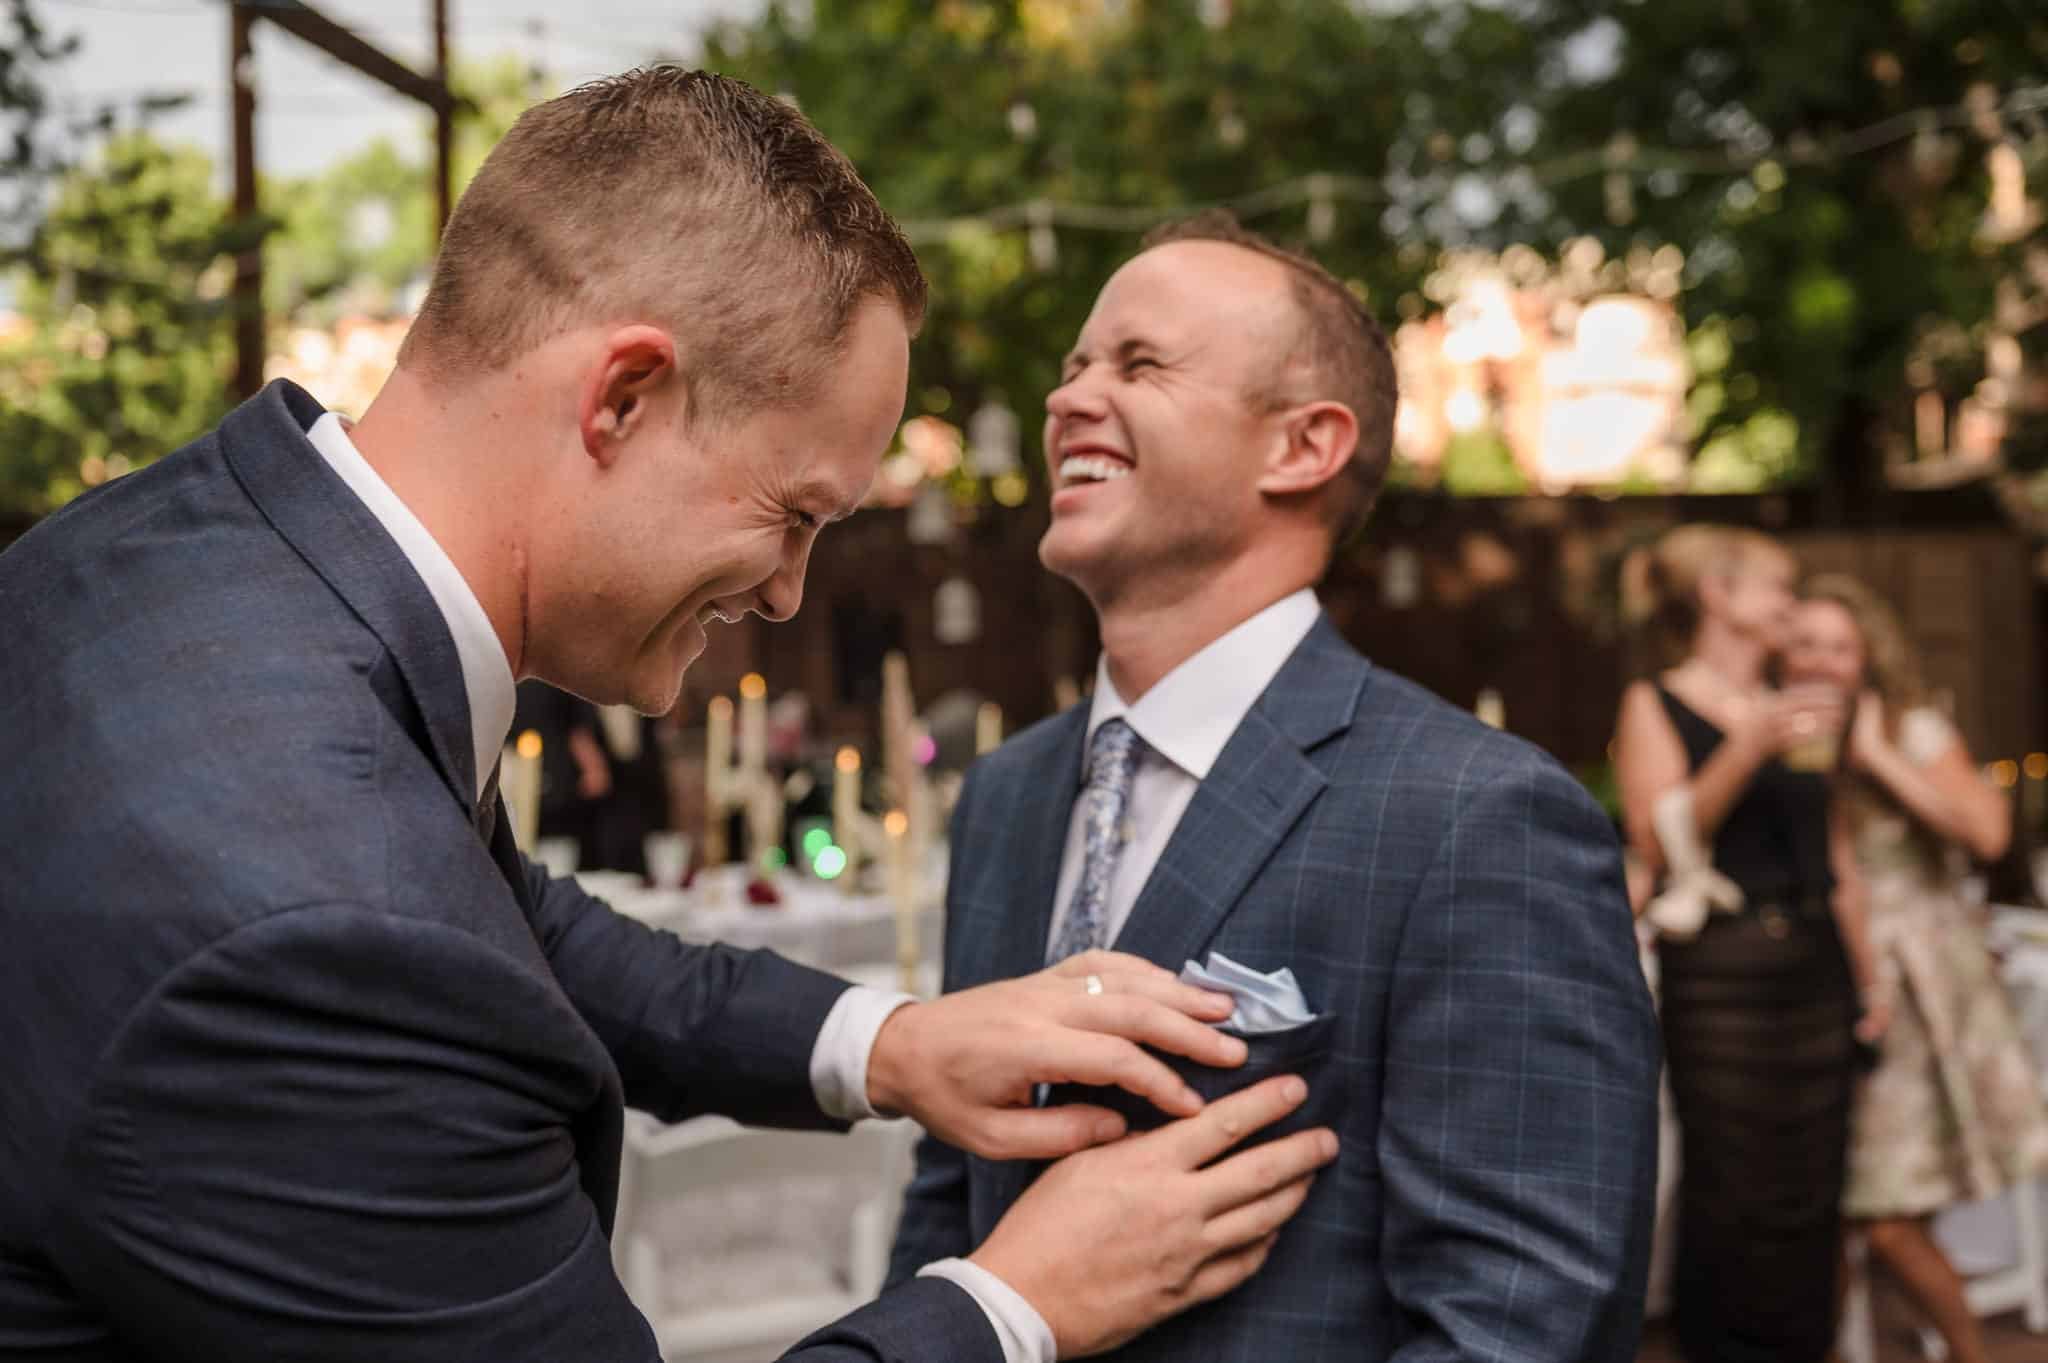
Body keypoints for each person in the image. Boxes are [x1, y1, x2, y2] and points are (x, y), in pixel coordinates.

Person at [0, 70, 1342, 1362]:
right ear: (622, 397)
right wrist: (1013, 1303)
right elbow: (392, 940)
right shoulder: (320, 926)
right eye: (794, 513)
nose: (785, 588)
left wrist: (887, 1043)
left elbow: (495, 924)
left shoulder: (159, 551)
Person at [887, 211, 1663, 1363]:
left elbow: (1518, 1321)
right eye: (1073, 367)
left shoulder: (1478, 816)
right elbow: (952, 1186)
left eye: (1138, 364)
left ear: (1301, 447)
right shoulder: (1007, 792)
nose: (1068, 399)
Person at [1612, 525, 1885, 1363]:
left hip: (1816, 969)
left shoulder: (1801, 699)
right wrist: (1750, 743)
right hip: (1720, 976)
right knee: (1731, 1188)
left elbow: (1835, 856)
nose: (1791, 607)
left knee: (1814, 1191)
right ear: (1720, 597)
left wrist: (1872, 980)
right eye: (1778, 589)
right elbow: (1660, 844)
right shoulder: (1653, 703)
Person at [1786, 574, 2048, 1363]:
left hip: (1933, 983)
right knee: (1863, 1203)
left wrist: (1876, 755)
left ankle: (1969, 1353)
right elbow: (1840, 878)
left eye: (1839, 645)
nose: (1822, 660)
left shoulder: (1914, 728)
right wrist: (1862, 980)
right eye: (1806, 643)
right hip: (1856, 987)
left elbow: (1989, 831)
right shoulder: (1795, 741)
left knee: (1883, 1213)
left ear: (1867, 654)